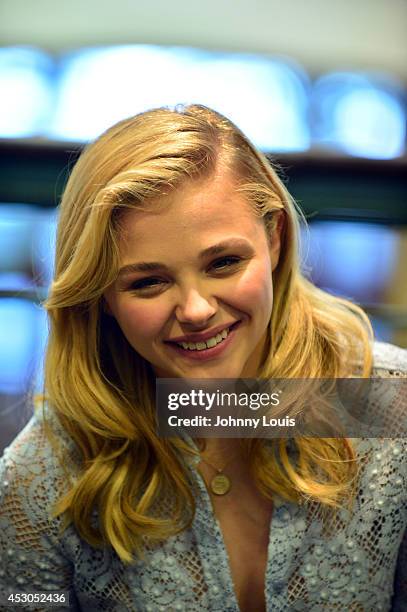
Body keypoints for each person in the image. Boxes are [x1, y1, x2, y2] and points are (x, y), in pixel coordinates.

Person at [0, 104, 406, 612]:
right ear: (100, 293)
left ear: (275, 238)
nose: (196, 311)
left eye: (224, 262)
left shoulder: (393, 405)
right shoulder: (45, 469)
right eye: (148, 282)